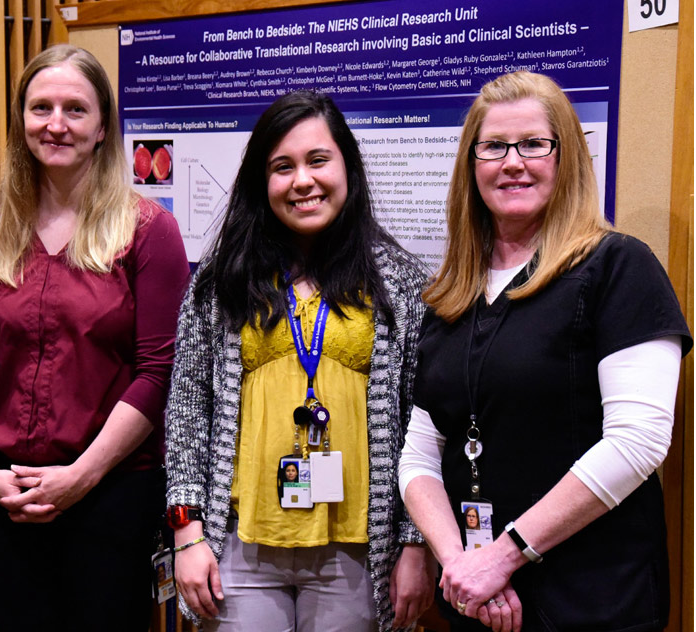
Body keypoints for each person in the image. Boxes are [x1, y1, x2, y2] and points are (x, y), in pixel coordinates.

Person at [398, 70, 692, 632]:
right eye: (494, 147)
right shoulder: (450, 294)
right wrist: (462, 565)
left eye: (534, 144)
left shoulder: (618, 268)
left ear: (566, 157)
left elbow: (639, 441)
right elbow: (420, 453)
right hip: (475, 600)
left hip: (592, 598)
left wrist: (504, 556)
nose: (514, 162)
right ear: (471, 165)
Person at [165, 90, 436, 632]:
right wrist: (186, 531)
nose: (302, 181)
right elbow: (187, 412)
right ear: (262, 183)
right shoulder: (221, 283)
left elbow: (421, 425)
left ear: (347, 167)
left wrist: (415, 543)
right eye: (282, 167)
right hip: (241, 546)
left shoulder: (402, 283)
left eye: (318, 160)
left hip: (358, 552)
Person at [0, 44, 188, 631]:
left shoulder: (149, 232)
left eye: (75, 109)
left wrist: (81, 477)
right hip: (9, 494)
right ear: (21, 120)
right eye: (41, 108)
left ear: (103, 126)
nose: (55, 124)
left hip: (110, 495)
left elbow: (158, 372)